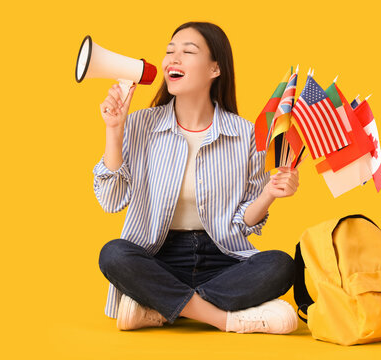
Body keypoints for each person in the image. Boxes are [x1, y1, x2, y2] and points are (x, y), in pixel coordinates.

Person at [94, 21, 300, 334]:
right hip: (159, 259)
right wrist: (114, 130)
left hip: (222, 259)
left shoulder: (245, 134)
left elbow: (246, 223)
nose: (172, 59)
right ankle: (225, 319)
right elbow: (110, 201)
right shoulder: (139, 124)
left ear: (215, 69)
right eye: (169, 51)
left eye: (187, 52)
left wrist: (270, 193)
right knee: (114, 254)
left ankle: (160, 309)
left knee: (282, 265)